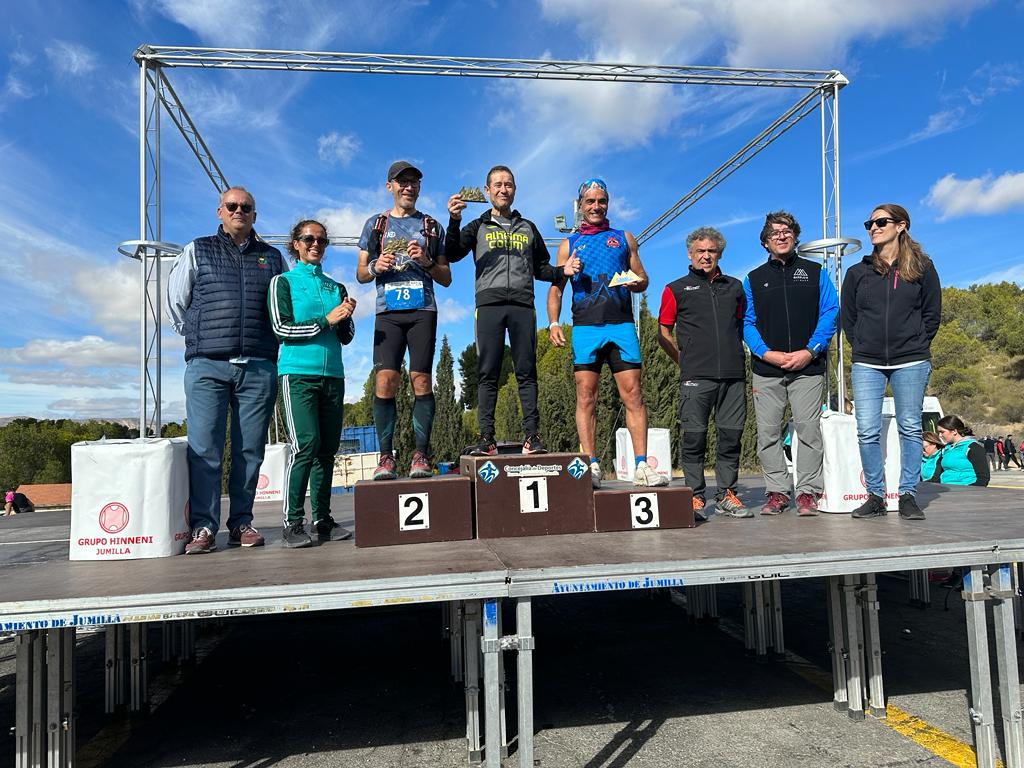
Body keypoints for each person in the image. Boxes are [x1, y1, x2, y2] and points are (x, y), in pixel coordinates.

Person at [167, 186, 286, 554]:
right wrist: (199, 336)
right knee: (205, 449)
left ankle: (241, 523)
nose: (239, 211)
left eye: (246, 207)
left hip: (258, 367)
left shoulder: (273, 258)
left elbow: (281, 307)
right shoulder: (197, 249)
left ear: (255, 215)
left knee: (250, 450)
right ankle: (203, 527)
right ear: (219, 211)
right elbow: (176, 302)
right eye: (232, 206)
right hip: (208, 366)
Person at [546, 178, 667, 489]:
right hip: (585, 328)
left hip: (621, 325)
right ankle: (591, 464)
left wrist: (637, 283)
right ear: (581, 205)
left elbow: (643, 278)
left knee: (633, 395)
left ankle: (642, 466)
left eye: (601, 201)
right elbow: (556, 288)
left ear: (608, 204)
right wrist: (554, 323)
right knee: (586, 397)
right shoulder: (568, 244)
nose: (596, 206)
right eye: (590, 201)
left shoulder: (623, 238)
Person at [446, 165, 571, 455]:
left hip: (523, 305)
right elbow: (451, 253)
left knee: (526, 371)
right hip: (488, 305)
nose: (503, 189)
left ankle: (532, 436)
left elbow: (541, 268)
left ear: (514, 190)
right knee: (487, 372)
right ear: (487, 190)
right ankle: (486, 438)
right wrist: (454, 220)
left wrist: (562, 271)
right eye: (498, 185)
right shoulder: (477, 226)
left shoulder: (528, 227)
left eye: (509, 184)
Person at [842, 204, 941, 521]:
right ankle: (875, 496)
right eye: (869, 223)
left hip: (911, 359)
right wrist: (861, 345)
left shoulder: (922, 267)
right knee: (866, 430)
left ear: (901, 226)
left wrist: (917, 343)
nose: (873, 227)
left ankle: (907, 494)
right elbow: (849, 318)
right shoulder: (857, 273)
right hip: (867, 362)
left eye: (880, 222)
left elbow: (932, 314)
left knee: (910, 428)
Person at [357, 161, 451, 481]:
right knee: (385, 381)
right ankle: (386, 457)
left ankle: (420, 454)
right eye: (402, 182)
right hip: (388, 312)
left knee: (421, 380)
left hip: (423, 310)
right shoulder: (375, 225)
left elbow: (446, 277)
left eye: (414, 182)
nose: (408, 187)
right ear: (390, 187)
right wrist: (375, 267)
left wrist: (426, 262)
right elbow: (360, 273)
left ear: (419, 188)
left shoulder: (431, 226)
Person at [743, 211, 839, 517]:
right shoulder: (753, 279)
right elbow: (746, 322)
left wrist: (810, 350)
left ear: (795, 236)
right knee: (768, 433)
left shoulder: (815, 272)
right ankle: (777, 492)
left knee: (808, 430)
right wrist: (764, 352)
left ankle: (808, 492)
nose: (781, 236)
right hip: (767, 369)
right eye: (774, 233)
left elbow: (831, 311)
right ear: (765, 242)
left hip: (808, 367)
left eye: (786, 231)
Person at [270, 219, 356, 548]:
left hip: (333, 374)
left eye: (322, 240)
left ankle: (322, 520)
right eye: (308, 239)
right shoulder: (283, 282)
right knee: (305, 446)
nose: (315, 244)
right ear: (296, 244)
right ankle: (292, 523)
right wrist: (326, 319)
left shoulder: (336, 287)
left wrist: (346, 317)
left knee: (327, 450)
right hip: (298, 374)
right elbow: (282, 329)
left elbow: (345, 337)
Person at [658, 226, 750, 520]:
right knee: (694, 438)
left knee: (730, 438)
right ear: (690, 254)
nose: (706, 256)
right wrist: (682, 360)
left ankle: (726, 495)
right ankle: (695, 497)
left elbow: (742, 326)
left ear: (719, 253)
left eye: (712, 251)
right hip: (695, 377)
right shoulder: (675, 289)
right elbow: (663, 332)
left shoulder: (735, 287)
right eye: (701, 251)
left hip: (733, 376)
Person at [926, 416, 990, 486]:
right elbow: (936, 478)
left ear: (954, 431)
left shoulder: (973, 448)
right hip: (946, 488)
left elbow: (983, 478)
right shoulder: (945, 450)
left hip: (966, 489)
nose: (940, 435)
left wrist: (970, 490)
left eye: (942, 432)